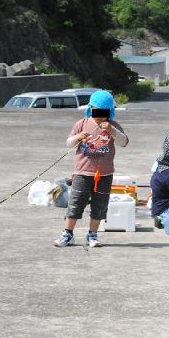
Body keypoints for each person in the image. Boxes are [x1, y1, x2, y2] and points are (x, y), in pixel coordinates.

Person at [54, 90, 129, 248]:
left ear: (110, 112)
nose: (101, 117)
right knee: (75, 203)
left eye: (104, 113)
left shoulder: (113, 126)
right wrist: (78, 137)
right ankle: (68, 233)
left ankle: (92, 234)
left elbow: (124, 142)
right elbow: (69, 143)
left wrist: (112, 130)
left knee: (100, 205)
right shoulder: (81, 123)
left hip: (104, 173)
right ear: (90, 109)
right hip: (82, 172)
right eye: (97, 112)